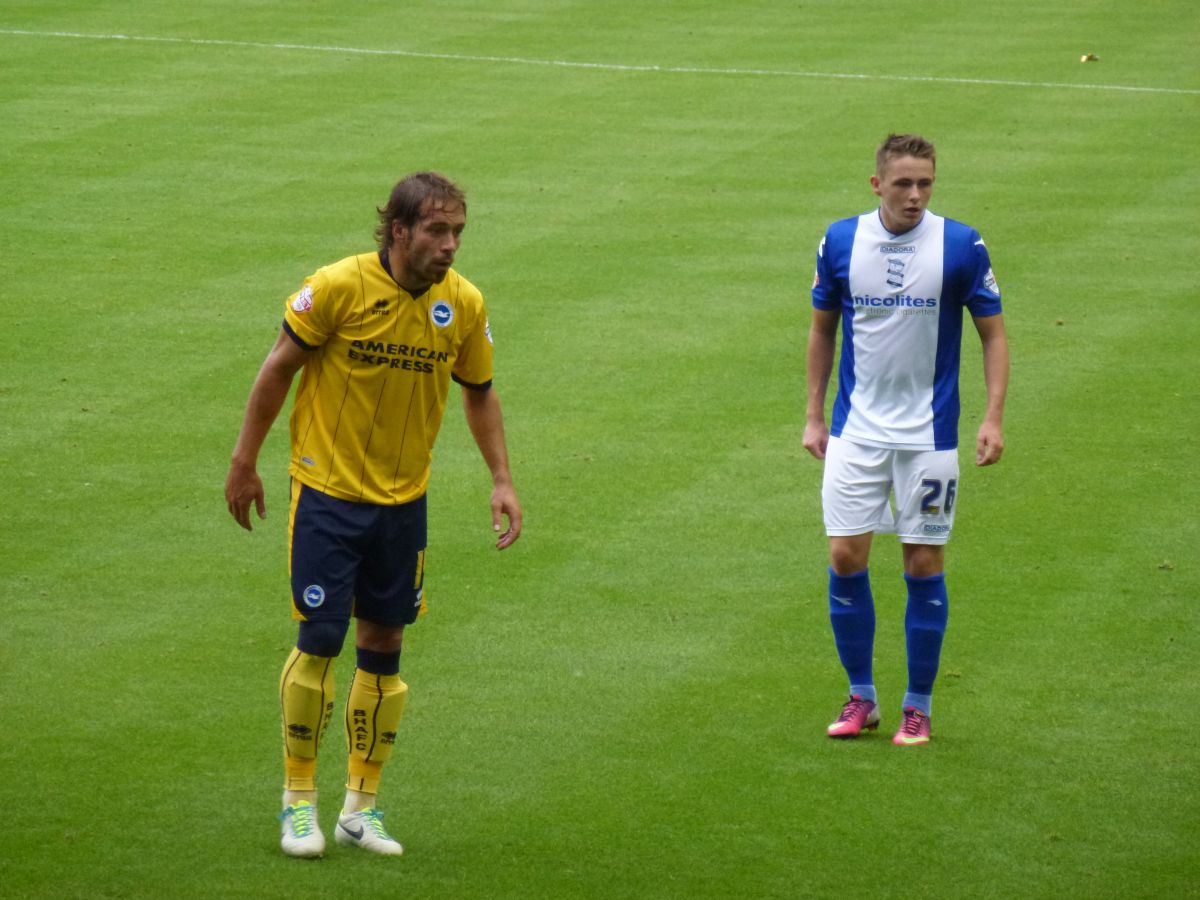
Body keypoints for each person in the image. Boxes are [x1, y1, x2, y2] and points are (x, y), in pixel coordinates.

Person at [224, 172, 522, 857]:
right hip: (326, 496)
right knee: (320, 639)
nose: (450, 246)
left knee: (384, 649)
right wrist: (245, 461)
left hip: (402, 503)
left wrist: (502, 478)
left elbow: (479, 392)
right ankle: (298, 802)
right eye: (437, 231)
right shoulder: (336, 286)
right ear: (399, 230)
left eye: (458, 233)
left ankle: (363, 806)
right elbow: (278, 369)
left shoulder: (463, 305)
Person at [803, 134, 1008, 746]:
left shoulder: (961, 244)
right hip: (855, 433)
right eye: (903, 184)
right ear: (877, 185)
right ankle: (861, 696)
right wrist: (813, 415)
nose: (915, 195)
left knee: (923, 561)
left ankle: (916, 705)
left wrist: (992, 417)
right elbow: (822, 332)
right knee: (845, 558)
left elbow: (993, 336)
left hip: (929, 437)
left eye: (925, 184)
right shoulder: (840, 240)